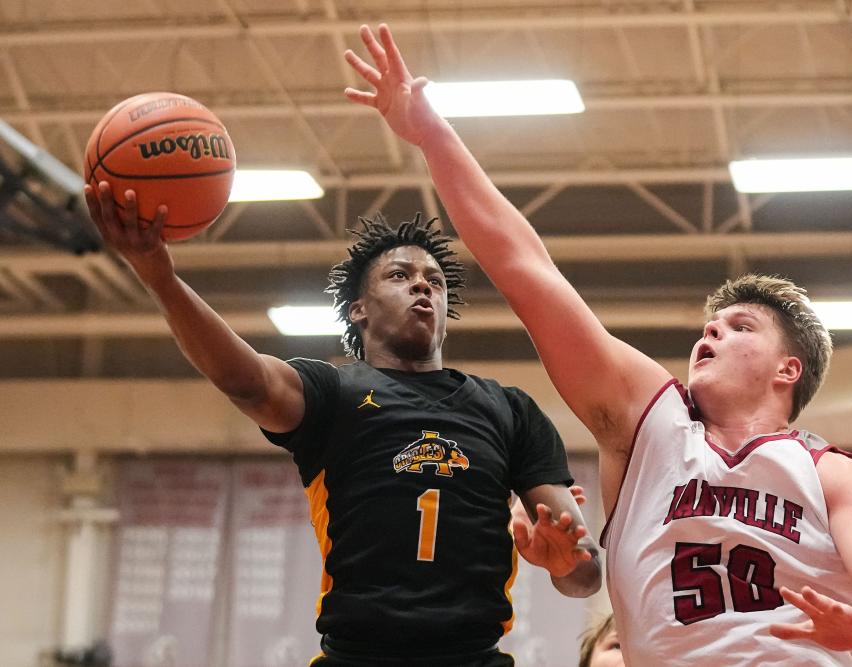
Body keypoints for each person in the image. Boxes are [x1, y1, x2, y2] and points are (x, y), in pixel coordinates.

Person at [343, 23, 852, 666]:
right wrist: (432, 134)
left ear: (790, 368)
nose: (712, 331)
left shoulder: (835, 474)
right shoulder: (651, 422)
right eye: (711, 323)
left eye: (740, 327)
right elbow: (525, 266)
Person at [81, 184, 602, 666]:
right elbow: (246, 380)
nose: (422, 284)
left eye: (435, 281)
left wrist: (563, 565)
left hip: (474, 657)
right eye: (399, 276)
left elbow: (585, 575)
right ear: (357, 309)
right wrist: (161, 278)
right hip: (358, 656)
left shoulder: (509, 409)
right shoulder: (334, 394)